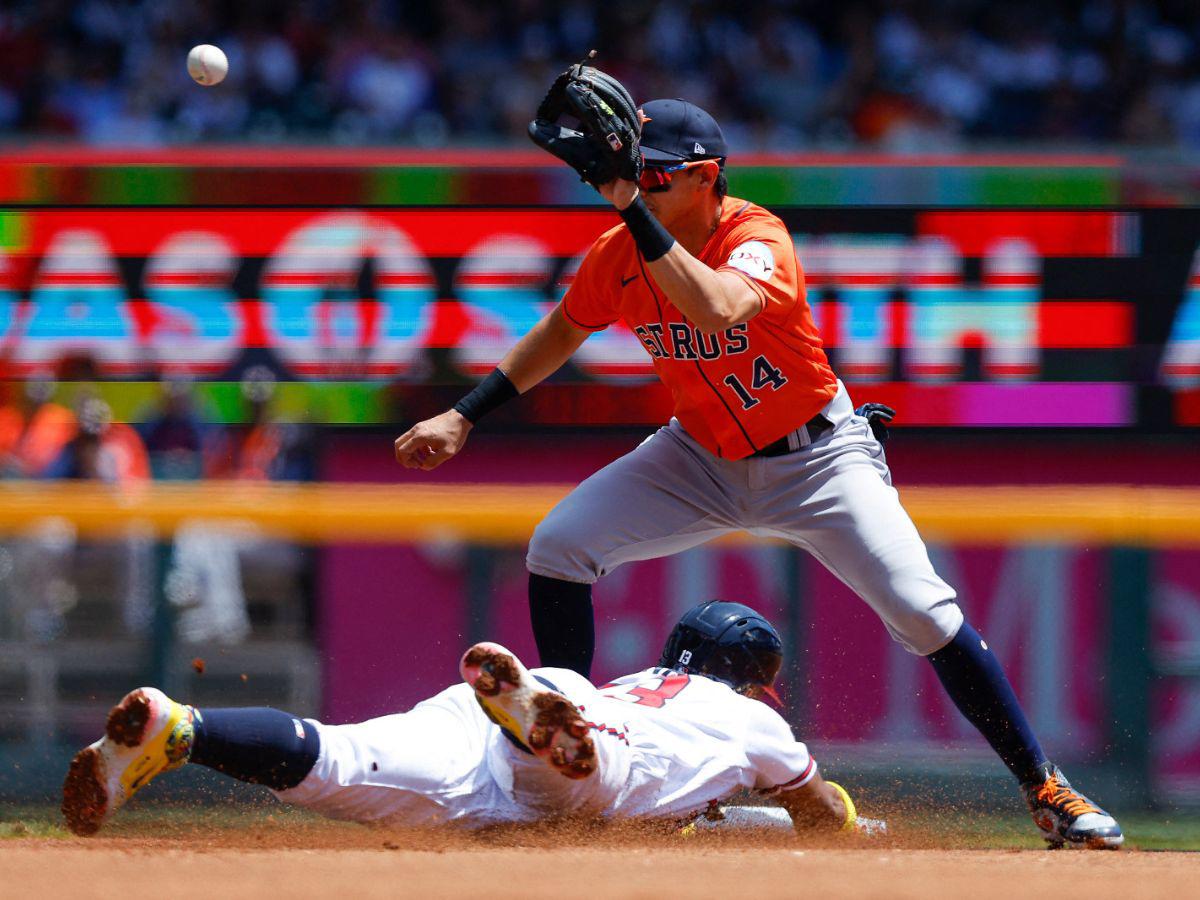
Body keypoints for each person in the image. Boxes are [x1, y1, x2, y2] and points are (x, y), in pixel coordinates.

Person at [393, 96, 1123, 849]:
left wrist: (625, 205)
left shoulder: (755, 235)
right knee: (558, 547)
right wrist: (464, 414)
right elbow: (560, 331)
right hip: (697, 456)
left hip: (816, 459)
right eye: (629, 170)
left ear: (705, 176)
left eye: (655, 174)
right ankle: (577, 754)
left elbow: (717, 309)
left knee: (925, 614)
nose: (638, 183)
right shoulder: (619, 250)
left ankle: (1047, 788)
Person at [62, 600, 870, 838]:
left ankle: (184, 730)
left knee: (338, 760)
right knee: (591, 779)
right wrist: (849, 819)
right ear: (756, 679)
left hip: (543, 707)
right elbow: (820, 814)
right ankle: (543, 732)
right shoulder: (752, 722)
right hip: (602, 759)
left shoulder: (645, 679)